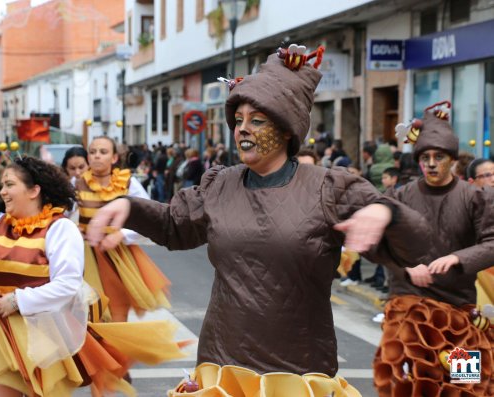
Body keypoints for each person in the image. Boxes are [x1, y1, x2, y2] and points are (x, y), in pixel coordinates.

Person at [86, 46, 432, 395]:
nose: (242, 130)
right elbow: (176, 225)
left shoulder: (328, 188)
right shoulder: (221, 184)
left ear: (285, 130)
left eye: (257, 120)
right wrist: (129, 207)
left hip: (298, 367)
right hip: (224, 364)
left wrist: (386, 210)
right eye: (238, 121)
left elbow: (417, 246)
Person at [0, 156, 184, 397]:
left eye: (9, 185)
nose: (2, 192)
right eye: (2, 185)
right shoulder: (2, 223)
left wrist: (17, 301)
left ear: (34, 191)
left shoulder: (59, 228)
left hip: (42, 337)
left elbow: (68, 285)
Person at [373, 101, 494, 396]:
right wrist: (405, 267)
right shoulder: (399, 195)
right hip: (408, 312)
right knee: (405, 386)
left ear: (452, 160)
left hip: (459, 313)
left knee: (467, 388)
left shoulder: (476, 198)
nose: (430, 163)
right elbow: (378, 244)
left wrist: (457, 257)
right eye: (424, 156)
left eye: (438, 156)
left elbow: (492, 244)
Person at [75, 136, 171, 322]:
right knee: (89, 311)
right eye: (92, 152)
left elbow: (149, 216)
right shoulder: (77, 183)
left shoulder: (128, 183)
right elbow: (62, 218)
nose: (96, 156)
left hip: (118, 257)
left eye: (103, 152)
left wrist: (122, 234)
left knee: (117, 309)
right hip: (84, 255)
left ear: (114, 158)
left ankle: (115, 350)